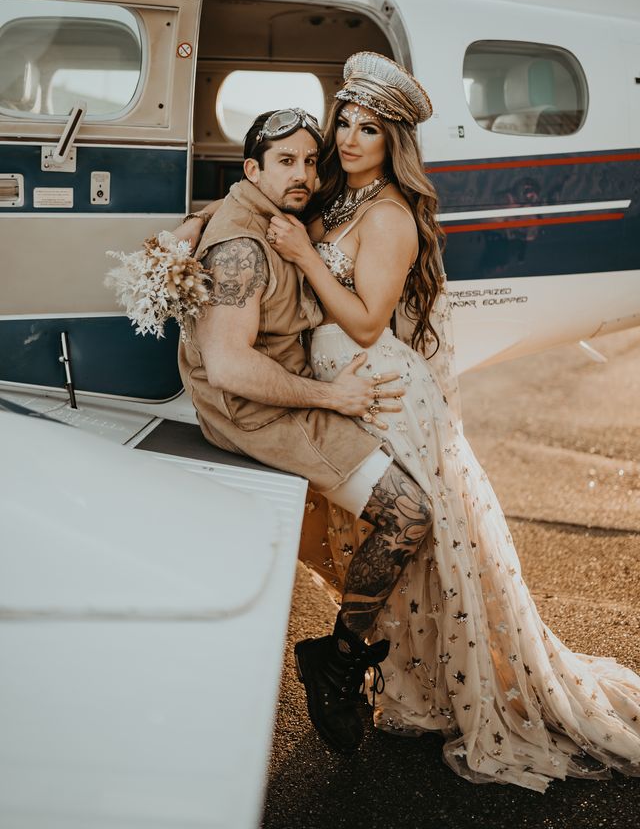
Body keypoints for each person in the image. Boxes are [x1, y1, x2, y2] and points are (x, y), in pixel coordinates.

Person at [247, 52, 640, 792]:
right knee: (376, 534)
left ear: (394, 141)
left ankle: (341, 656)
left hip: (384, 390)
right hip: (341, 388)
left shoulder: (390, 213)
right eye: (345, 120)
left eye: (370, 127)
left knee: (411, 529)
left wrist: (302, 257)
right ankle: (402, 678)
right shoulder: (336, 198)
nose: (351, 136)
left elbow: (366, 323)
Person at [176, 107, 444, 756]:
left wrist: (193, 221)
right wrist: (335, 396)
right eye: (284, 162)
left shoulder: (265, 211)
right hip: (265, 412)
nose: (302, 175)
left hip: (291, 391)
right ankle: (338, 660)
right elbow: (231, 366)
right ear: (252, 169)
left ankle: (349, 648)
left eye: (306, 160)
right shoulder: (239, 247)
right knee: (409, 514)